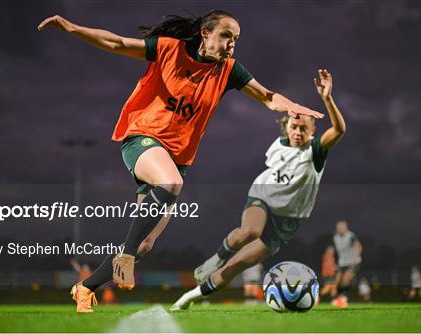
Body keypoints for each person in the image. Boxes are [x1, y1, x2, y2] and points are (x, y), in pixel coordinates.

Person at [38, 10, 323, 313]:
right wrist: (71, 28)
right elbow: (117, 44)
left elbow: (266, 97)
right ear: (205, 33)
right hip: (143, 139)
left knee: (146, 244)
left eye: (236, 39)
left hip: (176, 159)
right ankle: (125, 259)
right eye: (226, 35)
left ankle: (85, 287)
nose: (231, 44)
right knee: (170, 183)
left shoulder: (228, 70)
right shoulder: (169, 50)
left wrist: (291, 106)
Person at [171, 69, 346, 311]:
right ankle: (216, 258)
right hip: (262, 196)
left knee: (239, 264)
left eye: (304, 128)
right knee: (250, 230)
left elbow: (338, 131)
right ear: (286, 126)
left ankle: (189, 297)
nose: (298, 132)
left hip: (287, 220)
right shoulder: (279, 144)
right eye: (294, 126)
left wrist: (327, 99)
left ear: (313, 131)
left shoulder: (315, 151)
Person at [331, 220, 362, 308]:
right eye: (339, 227)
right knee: (337, 282)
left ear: (346, 227)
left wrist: (356, 257)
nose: (341, 228)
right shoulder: (335, 237)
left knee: (345, 280)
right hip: (342, 263)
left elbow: (359, 247)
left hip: (353, 262)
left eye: (342, 227)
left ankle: (343, 298)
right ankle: (338, 298)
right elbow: (338, 251)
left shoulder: (351, 236)